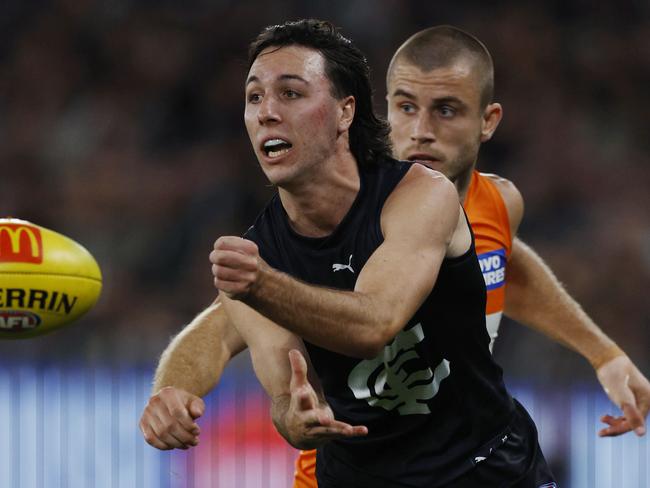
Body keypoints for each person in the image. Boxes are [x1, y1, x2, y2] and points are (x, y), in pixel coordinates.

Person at [139, 21, 649, 486]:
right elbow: (229, 336)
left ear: (347, 111)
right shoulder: (261, 258)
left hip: (485, 467)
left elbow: (479, 278)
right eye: (254, 98)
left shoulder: (444, 198)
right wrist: (183, 394)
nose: (267, 111)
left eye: (290, 93)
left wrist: (602, 353)